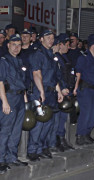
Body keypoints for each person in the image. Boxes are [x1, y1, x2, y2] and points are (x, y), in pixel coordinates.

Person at [27, 29, 69, 161]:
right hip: (41, 91)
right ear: (41, 39)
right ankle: (33, 150)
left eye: (52, 37)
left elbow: (54, 76)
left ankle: (42, 147)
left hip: (51, 91)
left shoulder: (51, 55)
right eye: (48, 37)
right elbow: (36, 74)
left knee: (49, 122)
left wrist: (58, 90)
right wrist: (41, 92)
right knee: (39, 122)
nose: (51, 40)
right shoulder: (37, 54)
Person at [0, 34, 28, 174]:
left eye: (19, 45)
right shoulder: (3, 61)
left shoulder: (20, 61)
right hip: (9, 98)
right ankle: (1, 159)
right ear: (8, 45)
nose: (16, 47)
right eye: (13, 44)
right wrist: (4, 101)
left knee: (16, 131)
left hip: (20, 98)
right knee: (5, 130)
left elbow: (22, 83)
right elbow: (0, 82)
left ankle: (12, 157)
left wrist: (25, 100)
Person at [73, 34, 94, 145]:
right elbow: (78, 73)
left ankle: (86, 134)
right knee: (86, 113)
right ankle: (80, 135)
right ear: (93, 46)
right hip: (86, 89)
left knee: (93, 113)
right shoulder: (83, 57)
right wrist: (76, 86)